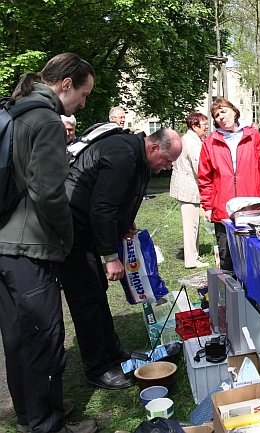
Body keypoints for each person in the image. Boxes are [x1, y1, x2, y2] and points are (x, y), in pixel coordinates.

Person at [0, 53, 97, 433]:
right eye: (83, 94)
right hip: (31, 246)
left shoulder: (16, 108)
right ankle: (48, 423)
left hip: (5, 245)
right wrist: (66, 234)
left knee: (17, 337)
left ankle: (31, 413)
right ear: (66, 84)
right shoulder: (46, 120)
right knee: (44, 337)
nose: (83, 104)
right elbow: (49, 192)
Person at [61, 127, 182, 391]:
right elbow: (102, 207)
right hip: (72, 230)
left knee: (97, 292)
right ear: (153, 147)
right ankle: (97, 368)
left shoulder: (136, 156)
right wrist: (110, 257)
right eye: (166, 160)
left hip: (85, 228)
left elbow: (119, 199)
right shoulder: (123, 155)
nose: (167, 167)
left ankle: (112, 351)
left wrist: (124, 222)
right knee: (86, 300)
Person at [198, 98, 260, 272]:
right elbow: (205, 178)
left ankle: (252, 289)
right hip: (223, 210)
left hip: (252, 208)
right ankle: (229, 287)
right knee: (227, 259)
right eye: (216, 115)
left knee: (254, 258)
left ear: (234, 111)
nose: (221, 117)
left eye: (224, 111)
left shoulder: (253, 137)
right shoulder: (210, 142)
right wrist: (208, 206)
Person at [170, 112, 210, 269]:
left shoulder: (186, 139)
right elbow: (200, 168)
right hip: (188, 189)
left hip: (186, 187)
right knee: (191, 227)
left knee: (193, 225)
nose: (206, 127)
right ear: (194, 126)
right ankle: (191, 261)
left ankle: (194, 256)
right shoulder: (193, 143)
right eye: (204, 124)